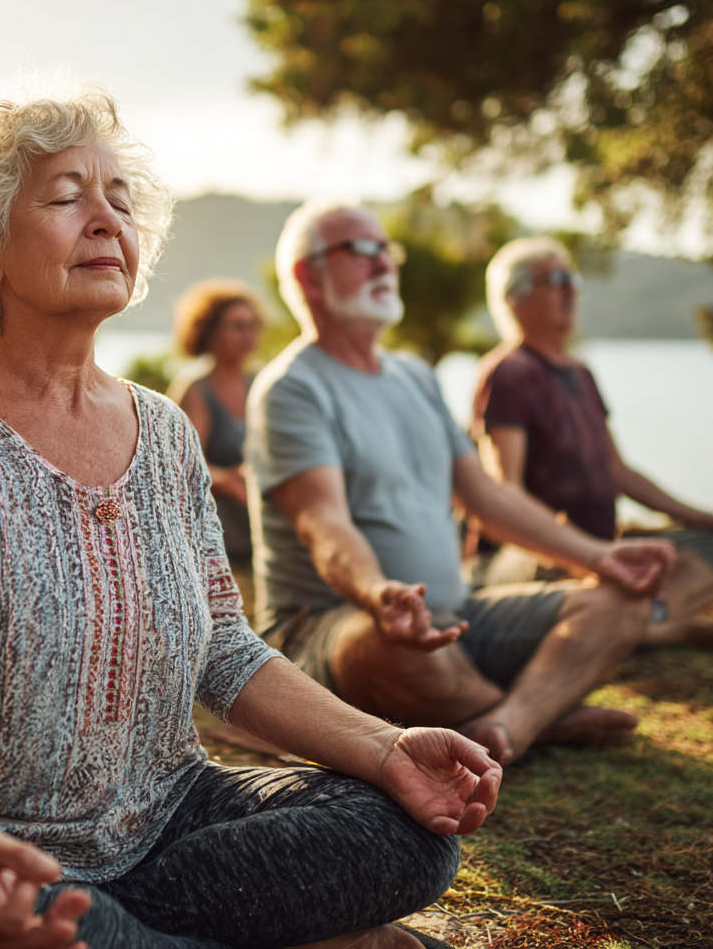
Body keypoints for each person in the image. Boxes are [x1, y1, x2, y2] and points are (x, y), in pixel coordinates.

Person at [0, 83, 502, 949]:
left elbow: (224, 648)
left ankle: (122, 935)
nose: (106, 219)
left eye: (120, 200)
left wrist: (383, 748)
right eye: (67, 197)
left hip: (163, 822)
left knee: (406, 834)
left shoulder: (169, 434)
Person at [245, 200, 678, 769]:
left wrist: (602, 556)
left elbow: (486, 497)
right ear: (308, 276)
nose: (384, 264)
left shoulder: (415, 376)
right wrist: (379, 593)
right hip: (335, 624)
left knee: (621, 600)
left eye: (388, 251)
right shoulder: (291, 390)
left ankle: (510, 727)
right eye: (363, 250)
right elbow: (322, 523)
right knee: (388, 646)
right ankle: (542, 717)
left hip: (457, 615)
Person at [472, 237, 713, 644]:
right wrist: (577, 548)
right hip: (531, 554)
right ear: (515, 297)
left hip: (600, 548)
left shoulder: (580, 373)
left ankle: (645, 622)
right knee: (599, 576)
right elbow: (504, 489)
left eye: (572, 278)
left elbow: (618, 471)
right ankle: (647, 625)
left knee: (705, 547)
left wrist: (701, 518)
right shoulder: (508, 374)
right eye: (555, 279)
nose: (570, 289)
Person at [172, 280, 264, 561]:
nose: (247, 335)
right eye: (237, 326)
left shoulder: (259, 382)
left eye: (252, 326)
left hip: (261, 523)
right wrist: (233, 480)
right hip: (219, 533)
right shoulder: (196, 389)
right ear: (210, 332)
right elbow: (183, 465)